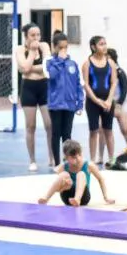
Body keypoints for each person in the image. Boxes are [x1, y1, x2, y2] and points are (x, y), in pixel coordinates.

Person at [16, 24, 53, 172]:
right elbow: (24, 69)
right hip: (28, 89)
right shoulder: (20, 49)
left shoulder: (44, 46)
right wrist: (31, 52)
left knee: (49, 125)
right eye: (33, 35)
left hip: (44, 87)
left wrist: (30, 68)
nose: (36, 38)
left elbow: (48, 67)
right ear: (26, 37)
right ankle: (32, 160)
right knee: (30, 126)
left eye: (38, 35)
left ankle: (52, 156)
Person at [39, 140, 112, 206]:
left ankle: (77, 199)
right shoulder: (62, 167)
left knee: (81, 174)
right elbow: (57, 189)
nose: (78, 159)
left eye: (80, 155)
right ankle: (46, 198)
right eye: (74, 157)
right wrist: (64, 187)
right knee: (64, 174)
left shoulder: (88, 165)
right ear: (66, 157)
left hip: (83, 198)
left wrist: (106, 197)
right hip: (67, 198)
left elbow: (100, 179)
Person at [46, 32, 82, 168]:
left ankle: (67, 162)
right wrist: (59, 61)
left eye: (65, 47)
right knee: (56, 133)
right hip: (55, 105)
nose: (63, 50)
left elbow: (78, 83)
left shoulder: (73, 64)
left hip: (70, 105)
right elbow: (52, 76)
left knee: (67, 134)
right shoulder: (50, 63)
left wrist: (79, 101)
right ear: (54, 47)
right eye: (60, 47)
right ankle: (57, 163)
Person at [82, 35, 117, 167]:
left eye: (105, 43)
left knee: (108, 130)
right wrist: (97, 100)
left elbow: (113, 83)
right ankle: (92, 160)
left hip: (108, 102)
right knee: (94, 130)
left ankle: (112, 158)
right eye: (101, 44)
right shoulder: (87, 64)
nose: (104, 46)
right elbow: (86, 84)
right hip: (92, 102)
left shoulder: (111, 63)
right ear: (93, 47)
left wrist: (108, 100)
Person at [106, 47, 127, 147]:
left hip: (120, 104)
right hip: (108, 104)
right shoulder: (105, 72)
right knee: (105, 131)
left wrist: (119, 104)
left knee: (125, 130)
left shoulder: (120, 72)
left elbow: (124, 90)